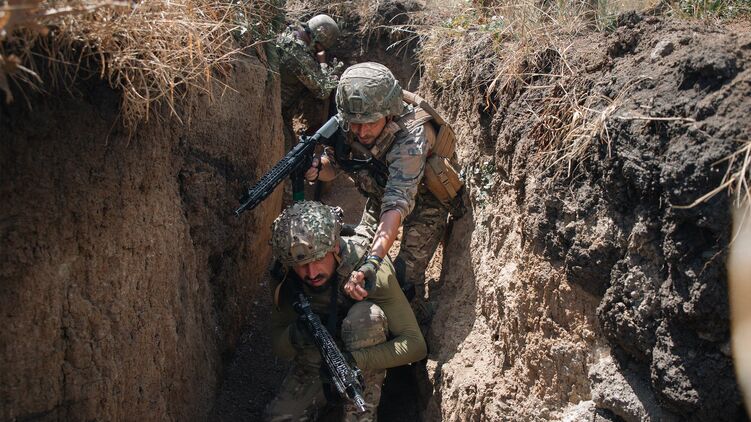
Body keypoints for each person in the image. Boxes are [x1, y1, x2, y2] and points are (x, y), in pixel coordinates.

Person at [303, 62, 464, 316]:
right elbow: (335, 165)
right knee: (351, 256)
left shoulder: (411, 138)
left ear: (389, 113)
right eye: (355, 123)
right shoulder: (352, 120)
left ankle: (419, 321)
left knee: (403, 277)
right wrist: (315, 168)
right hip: (380, 194)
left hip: (426, 203)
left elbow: (396, 204)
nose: (361, 131)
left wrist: (374, 260)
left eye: (370, 123)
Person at [265, 201, 426, 421]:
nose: (311, 273)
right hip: (318, 360)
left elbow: (415, 346)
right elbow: (279, 346)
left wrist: (354, 360)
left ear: (335, 248)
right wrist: (298, 333)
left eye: (318, 259)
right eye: (301, 265)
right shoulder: (285, 275)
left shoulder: (369, 271)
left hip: (365, 355)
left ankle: (362, 414)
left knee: (365, 317)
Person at [276, 14, 341, 150]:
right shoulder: (299, 55)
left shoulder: (289, 35)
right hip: (277, 111)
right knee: (287, 149)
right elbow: (323, 91)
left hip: (277, 105)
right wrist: (322, 63)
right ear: (318, 44)